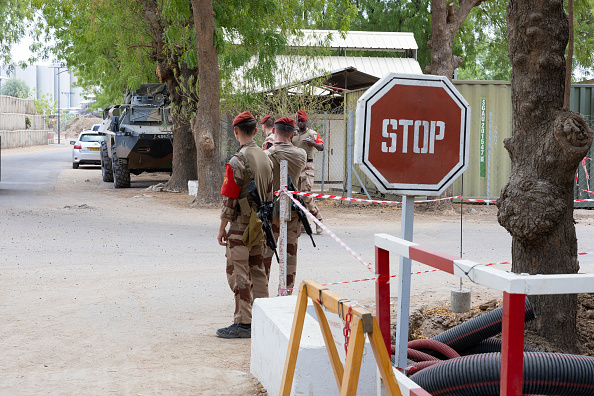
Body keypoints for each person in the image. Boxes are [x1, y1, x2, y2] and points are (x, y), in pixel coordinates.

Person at [216, 110, 274, 339]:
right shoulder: (265, 156)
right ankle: (262, 317)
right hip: (261, 222)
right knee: (258, 270)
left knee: (238, 272)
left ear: (236, 132)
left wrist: (222, 227)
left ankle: (244, 322)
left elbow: (229, 199)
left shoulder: (237, 160)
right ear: (256, 130)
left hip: (242, 223)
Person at [263, 117, 307, 294]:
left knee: (266, 251)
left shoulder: (267, 154)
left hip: (271, 208)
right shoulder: (301, 155)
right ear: (292, 134)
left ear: (274, 130)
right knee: (290, 253)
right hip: (292, 208)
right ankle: (286, 291)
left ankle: (261, 290)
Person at [291, 110, 324, 234]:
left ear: (306, 121)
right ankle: (302, 224)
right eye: (298, 121)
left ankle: (318, 220)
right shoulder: (292, 134)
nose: (300, 123)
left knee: (306, 195)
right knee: (296, 197)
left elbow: (321, 147)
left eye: (302, 121)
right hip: (295, 167)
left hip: (307, 167)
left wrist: (313, 143)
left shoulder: (312, 134)